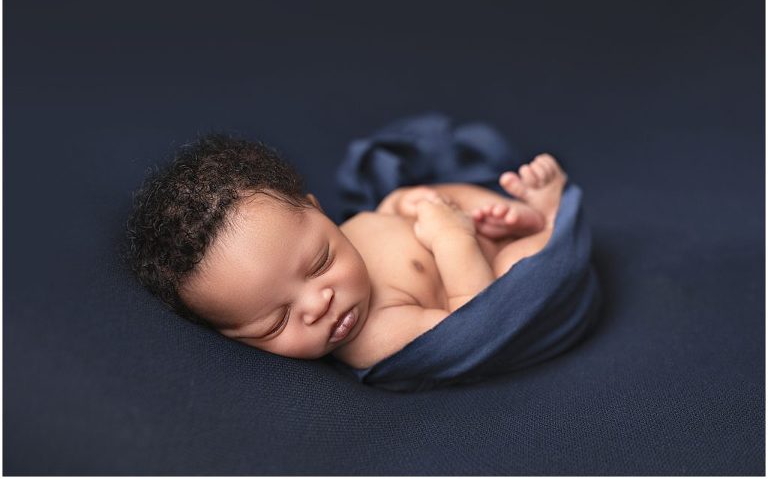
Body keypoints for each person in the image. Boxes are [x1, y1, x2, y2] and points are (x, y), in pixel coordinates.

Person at [126, 134, 567, 369]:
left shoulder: (354, 228)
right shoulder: (375, 338)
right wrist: (453, 239)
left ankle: (511, 211)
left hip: (458, 228)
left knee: (426, 195)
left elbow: (385, 213)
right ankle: (546, 220)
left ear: (318, 212)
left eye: (321, 262)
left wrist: (404, 205)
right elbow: (479, 326)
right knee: (522, 267)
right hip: (485, 274)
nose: (319, 304)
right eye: (277, 321)